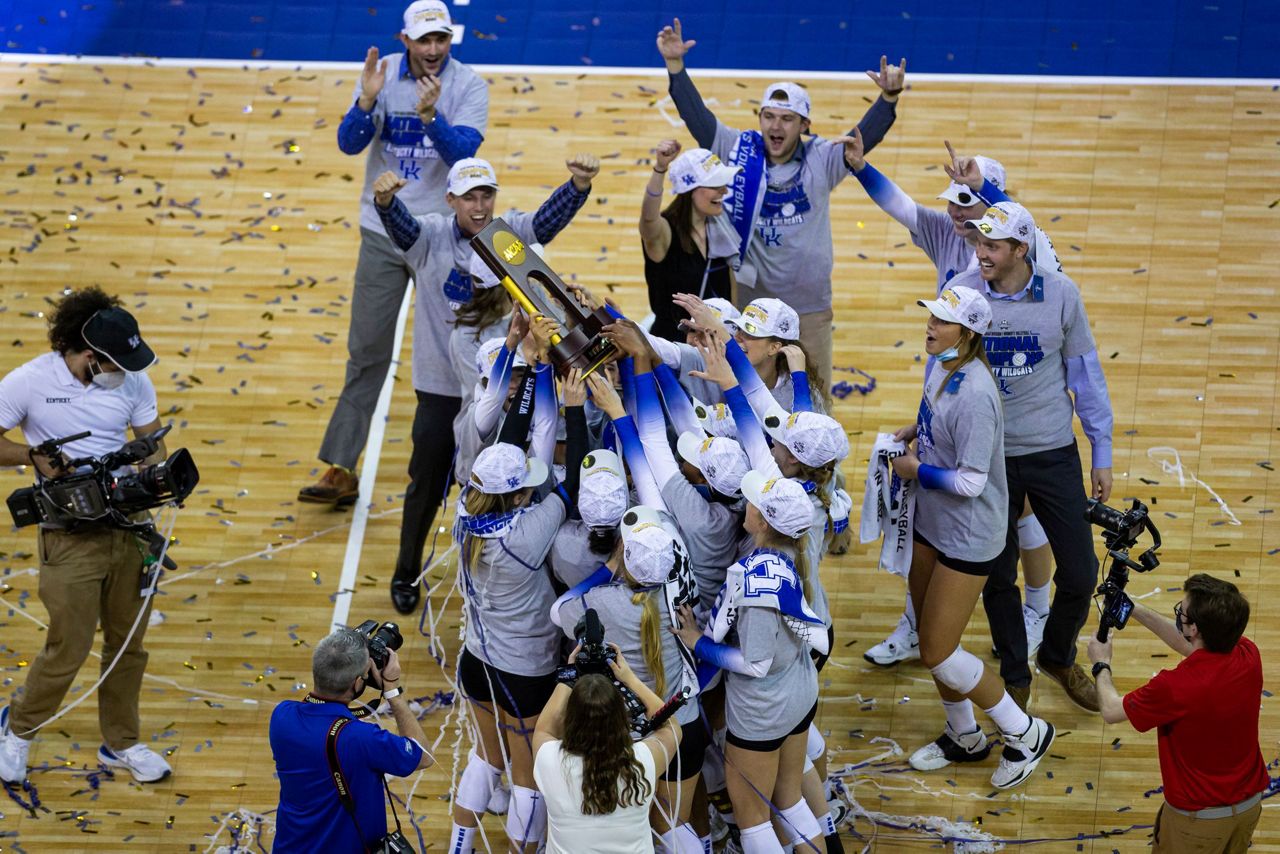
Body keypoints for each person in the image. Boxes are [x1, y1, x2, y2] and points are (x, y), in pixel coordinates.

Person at [843, 136, 1054, 674]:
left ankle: (1038, 608)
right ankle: (918, 623)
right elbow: (901, 206)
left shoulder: (1028, 252)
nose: (958, 211)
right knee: (930, 513)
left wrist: (987, 189)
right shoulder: (944, 231)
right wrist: (862, 168)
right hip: (951, 376)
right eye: (955, 199)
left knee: (1021, 507)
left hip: (1010, 389)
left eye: (970, 200)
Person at [371, 153, 598, 614]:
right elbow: (404, 230)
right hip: (441, 385)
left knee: (511, 482)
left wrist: (576, 185)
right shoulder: (432, 235)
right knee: (427, 479)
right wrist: (385, 203)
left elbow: (545, 224)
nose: (479, 205)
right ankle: (406, 567)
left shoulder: (507, 233)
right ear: (450, 198)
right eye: (469, 196)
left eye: (486, 195)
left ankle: (505, 569)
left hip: (510, 389)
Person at [300, 0, 489, 508]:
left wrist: (430, 118)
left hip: (440, 241)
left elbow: (464, 159)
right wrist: (365, 103)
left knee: (458, 354)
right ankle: (340, 467)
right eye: (424, 39)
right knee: (367, 352)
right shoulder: (380, 73)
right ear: (405, 40)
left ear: (450, 40)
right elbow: (347, 143)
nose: (433, 49)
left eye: (441, 39)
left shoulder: (469, 85)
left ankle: (466, 465)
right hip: (382, 233)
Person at [657, 17, 905, 390]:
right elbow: (698, 119)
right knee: (752, 388)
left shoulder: (822, 157)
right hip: (753, 307)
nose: (776, 126)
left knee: (815, 391)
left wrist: (887, 100)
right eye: (769, 117)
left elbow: (860, 141)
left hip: (809, 308)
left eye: (787, 119)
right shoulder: (739, 149)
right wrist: (676, 67)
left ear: (804, 125)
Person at [0, 288, 173, 785]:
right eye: (116, 362)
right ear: (87, 355)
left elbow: (150, 447)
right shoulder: (29, 381)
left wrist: (152, 476)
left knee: (128, 646)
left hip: (130, 530)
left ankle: (120, 743)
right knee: (68, 646)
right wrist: (31, 457)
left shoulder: (134, 382)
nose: (126, 371)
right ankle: (19, 731)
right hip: (68, 532)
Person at [948, 201, 1114, 712]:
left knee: (1083, 573)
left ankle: (1058, 656)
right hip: (988, 459)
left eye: (992, 246)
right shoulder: (962, 292)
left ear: (1022, 249)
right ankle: (1016, 673)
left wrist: (1100, 450)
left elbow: (1086, 376)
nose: (981, 254)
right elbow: (943, 373)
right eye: (978, 244)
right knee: (998, 576)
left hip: (1050, 452)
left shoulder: (1060, 294)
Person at [891, 286, 1055, 790]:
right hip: (931, 522)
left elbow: (972, 481)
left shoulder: (979, 394)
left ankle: (1024, 732)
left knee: (940, 650)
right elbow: (939, 426)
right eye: (932, 316)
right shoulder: (938, 363)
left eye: (942, 321)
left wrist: (917, 469)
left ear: (967, 333)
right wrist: (915, 433)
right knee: (928, 637)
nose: (930, 325)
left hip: (968, 534)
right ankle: (963, 736)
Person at [448, 340, 568, 854]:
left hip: (476, 661)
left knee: (484, 757)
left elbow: (517, 447)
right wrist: (546, 378)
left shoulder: (463, 516)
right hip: (525, 671)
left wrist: (534, 366)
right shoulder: (528, 533)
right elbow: (565, 478)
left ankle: (459, 845)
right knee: (526, 775)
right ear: (520, 496)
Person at [673, 470, 829, 854]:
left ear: (763, 521)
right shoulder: (792, 548)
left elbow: (756, 663)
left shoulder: (758, 586)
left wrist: (699, 644)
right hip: (797, 693)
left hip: (763, 710)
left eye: (754, 501)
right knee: (789, 800)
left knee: (754, 819)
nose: (747, 502)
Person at [550, 508, 704, 853]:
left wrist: (610, 567)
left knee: (637, 830)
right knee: (675, 828)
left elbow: (558, 611)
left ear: (626, 558)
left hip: (630, 737)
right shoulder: (681, 594)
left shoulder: (600, 603)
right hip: (683, 724)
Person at [1087, 574, 1267, 854]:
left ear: (1194, 628)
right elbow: (1189, 646)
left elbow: (1110, 710)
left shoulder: (1174, 687)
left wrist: (1101, 663)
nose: (1178, 616)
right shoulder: (1247, 653)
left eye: (1180, 612)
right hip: (1249, 808)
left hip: (1198, 822)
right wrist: (1133, 608)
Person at [270, 629, 433, 851]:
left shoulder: (282, 716)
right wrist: (392, 690)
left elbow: (318, 709)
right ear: (357, 683)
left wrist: (343, 655)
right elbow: (423, 755)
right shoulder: (362, 738)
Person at [533, 648, 682, 854]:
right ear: (621, 717)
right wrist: (630, 678)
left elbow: (544, 728)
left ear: (571, 718)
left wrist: (568, 676)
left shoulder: (550, 759)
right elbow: (672, 727)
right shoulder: (643, 760)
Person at [640, 140, 741, 340]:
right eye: (715, 185)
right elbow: (648, 218)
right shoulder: (664, 233)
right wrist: (660, 169)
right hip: (674, 347)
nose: (724, 191)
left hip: (717, 343)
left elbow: (729, 289)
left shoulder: (719, 227)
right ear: (690, 190)